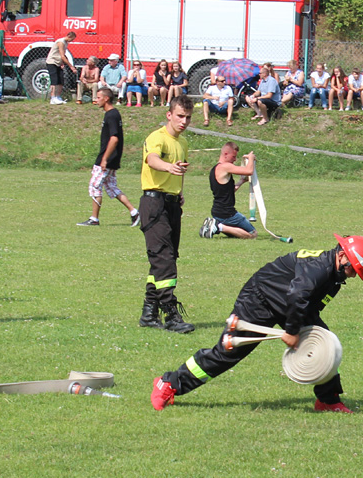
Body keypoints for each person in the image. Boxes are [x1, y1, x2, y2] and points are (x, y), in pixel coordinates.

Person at [150, 234, 363, 413]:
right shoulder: (319, 268)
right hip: (259, 300)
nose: (352, 275)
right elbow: (298, 294)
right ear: (343, 256)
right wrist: (292, 331)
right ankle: (168, 383)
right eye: (353, 269)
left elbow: (305, 303)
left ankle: (328, 401)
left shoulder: (334, 275)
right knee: (228, 352)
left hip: (290, 304)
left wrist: (306, 330)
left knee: (326, 348)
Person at [138, 95, 195, 334]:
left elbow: (178, 171)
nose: (184, 121)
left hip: (171, 204)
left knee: (165, 258)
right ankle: (170, 313)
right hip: (154, 203)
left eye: (188, 117)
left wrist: (178, 192)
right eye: (180, 116)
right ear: (169, 114)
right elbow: (152, 160)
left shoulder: (182, 143)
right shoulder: (157, 137)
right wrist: (167, 166)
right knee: (164, 259)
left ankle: (149, 313)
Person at [77, 88, 140, 228]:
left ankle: (94, 218)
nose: (96, 100)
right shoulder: (113, 114)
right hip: (113, 157)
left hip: (107, 158)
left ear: (106, 99)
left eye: (98, 97)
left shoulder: (111, 115)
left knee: (94, 186)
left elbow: (114, 139)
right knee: (111, 187)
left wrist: (104, 159)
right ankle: (134, 212)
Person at [199, 142, 256, 239]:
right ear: (225, 154)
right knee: (252, 234)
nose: (234, 159)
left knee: (237, 236)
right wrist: (251, 158)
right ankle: (218, 226)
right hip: (228, 214)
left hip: (217, 212)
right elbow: (249, 171)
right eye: (233, 156)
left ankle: (217, 225)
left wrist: (241, 181)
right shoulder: (224, 166)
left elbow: (227, 192)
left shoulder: (215, 169)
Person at [47, 31, 77, 105]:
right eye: (72, 39)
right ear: (69, 36)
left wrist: (62, 63)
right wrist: (71, 67)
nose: (72, 41)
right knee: (55, 80)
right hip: (52, 62)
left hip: (58, 63)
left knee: (61, 80)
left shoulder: (66, 43)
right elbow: (62, 55)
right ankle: (53, 98)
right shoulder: (61, 42)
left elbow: (62, 55)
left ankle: (58, 96)